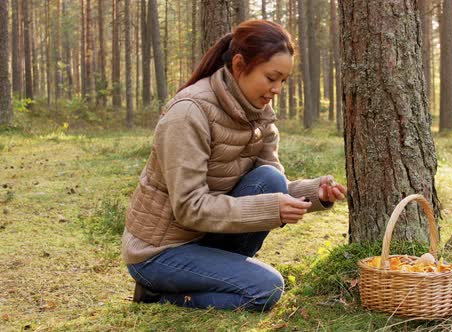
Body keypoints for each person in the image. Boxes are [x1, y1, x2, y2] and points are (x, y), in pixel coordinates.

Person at [122, 19, 347, 312]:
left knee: (269, 178)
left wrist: (316, 193)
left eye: (283, 81)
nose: (277, 89)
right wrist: (270, 208)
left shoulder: (259, 113)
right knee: (266, 290)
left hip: (202, 238)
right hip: (158, 252)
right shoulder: (189, 113)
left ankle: (217, 275)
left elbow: (274, 187)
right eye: (271, 78)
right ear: (240, 65)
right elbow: (189, 206)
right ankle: (156, 294)